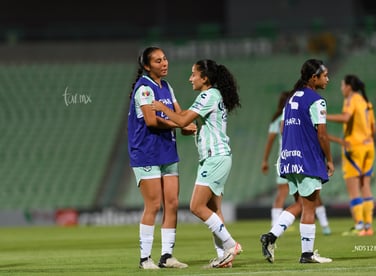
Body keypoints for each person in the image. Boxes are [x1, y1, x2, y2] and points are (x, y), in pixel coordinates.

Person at [152, 59, 242, 268]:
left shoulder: (208, 95)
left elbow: (183, 121)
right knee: (214, 209)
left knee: (196, 206)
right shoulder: (213, 95)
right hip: (217, 157)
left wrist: (161, 107)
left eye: (193, 74)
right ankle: (223, 257)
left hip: (215, 157)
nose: (190, 78)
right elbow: (184, 116)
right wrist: (172, 112)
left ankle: (230, 245)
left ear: (205, 78)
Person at [127, 46, 196, 270]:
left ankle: (167, 256)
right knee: (154, 204)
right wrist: (179, 123)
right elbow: (151, 121)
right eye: (158, 61)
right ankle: (145, 258)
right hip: (146, 153)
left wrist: (186, 122)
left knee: (172, 203)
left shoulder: (166, 87)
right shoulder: (144, 89)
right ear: (147, 66)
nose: (164, 63)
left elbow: (179, 112)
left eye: (165, 59)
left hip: (167, 151)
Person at [260, 59, 334, 264]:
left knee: (301, 204)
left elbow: (284, 129)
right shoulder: (317, 101)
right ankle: (307, 254)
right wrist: (329, 159)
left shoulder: (290, 99)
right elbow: (322, 135)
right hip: (307, 159)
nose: (328, 79)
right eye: (324, 75)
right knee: (309, 206)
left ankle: (270, 237)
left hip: (288, 159)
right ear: (313, 78)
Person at [261, 91, 331, 235]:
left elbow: (273, 138)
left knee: (287, 195)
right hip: (303, 158)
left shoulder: (279, 119)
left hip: (285, 159)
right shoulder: (302, 112)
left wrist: (265, 160)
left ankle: (275, 227)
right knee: (310, 198)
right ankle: (323, 226)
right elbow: (320, 133)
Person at [326, 74, 376, 236]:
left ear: (348, 87)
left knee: (354, 189)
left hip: (354, 147)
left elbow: (346, 117)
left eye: (342, 85)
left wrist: (324, 116)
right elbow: (373, 129)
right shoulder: (366, 101)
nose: (341, 89)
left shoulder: (351, 99)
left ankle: (359, 226)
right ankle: (368, 226)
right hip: (369, 146)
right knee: (365, 186)